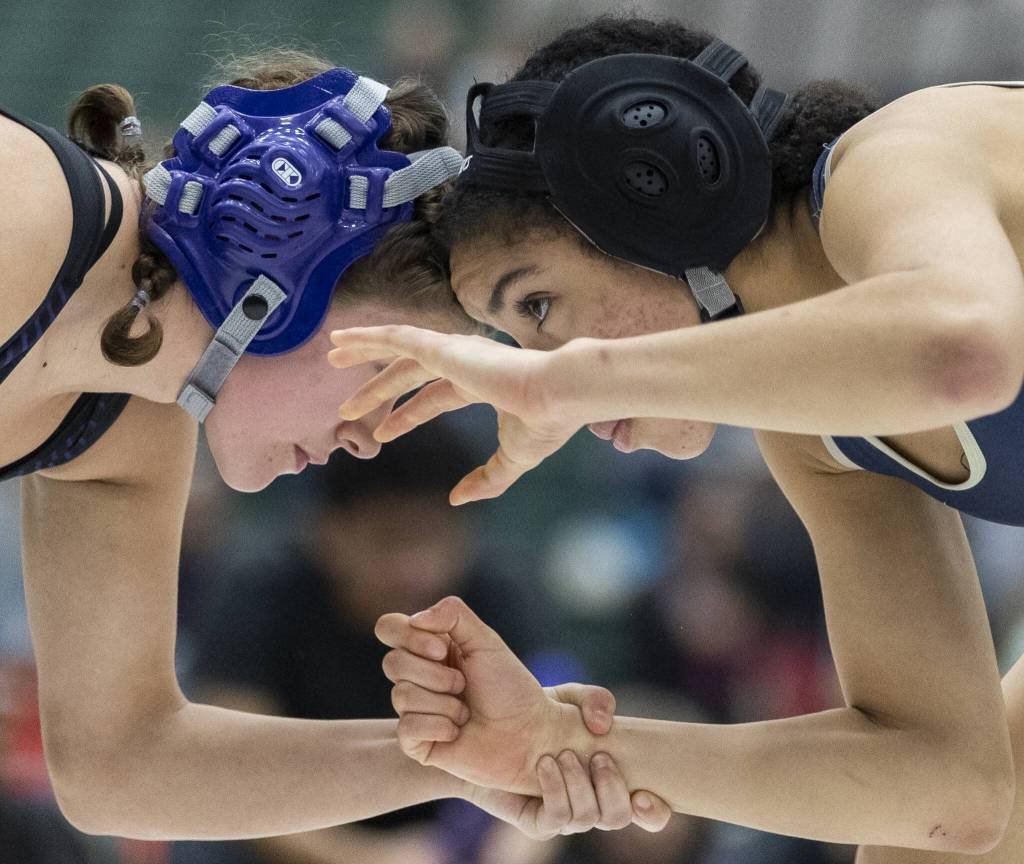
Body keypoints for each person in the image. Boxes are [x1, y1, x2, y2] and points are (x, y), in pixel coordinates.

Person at [328, 13, 1024, 863]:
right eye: (521, 344)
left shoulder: (901, 152)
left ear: (654, 186)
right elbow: (948, 789)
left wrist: (569, 378)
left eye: (539, 307)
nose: (549, 383)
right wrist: (564, 745)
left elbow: (966, 352)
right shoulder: (810, 430)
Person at [0, 49, 666, 840]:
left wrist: (464, 761)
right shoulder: (22, 215)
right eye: (383, 372)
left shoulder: (125, 419)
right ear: (275, 265)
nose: (369, 436)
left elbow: (122, 766)